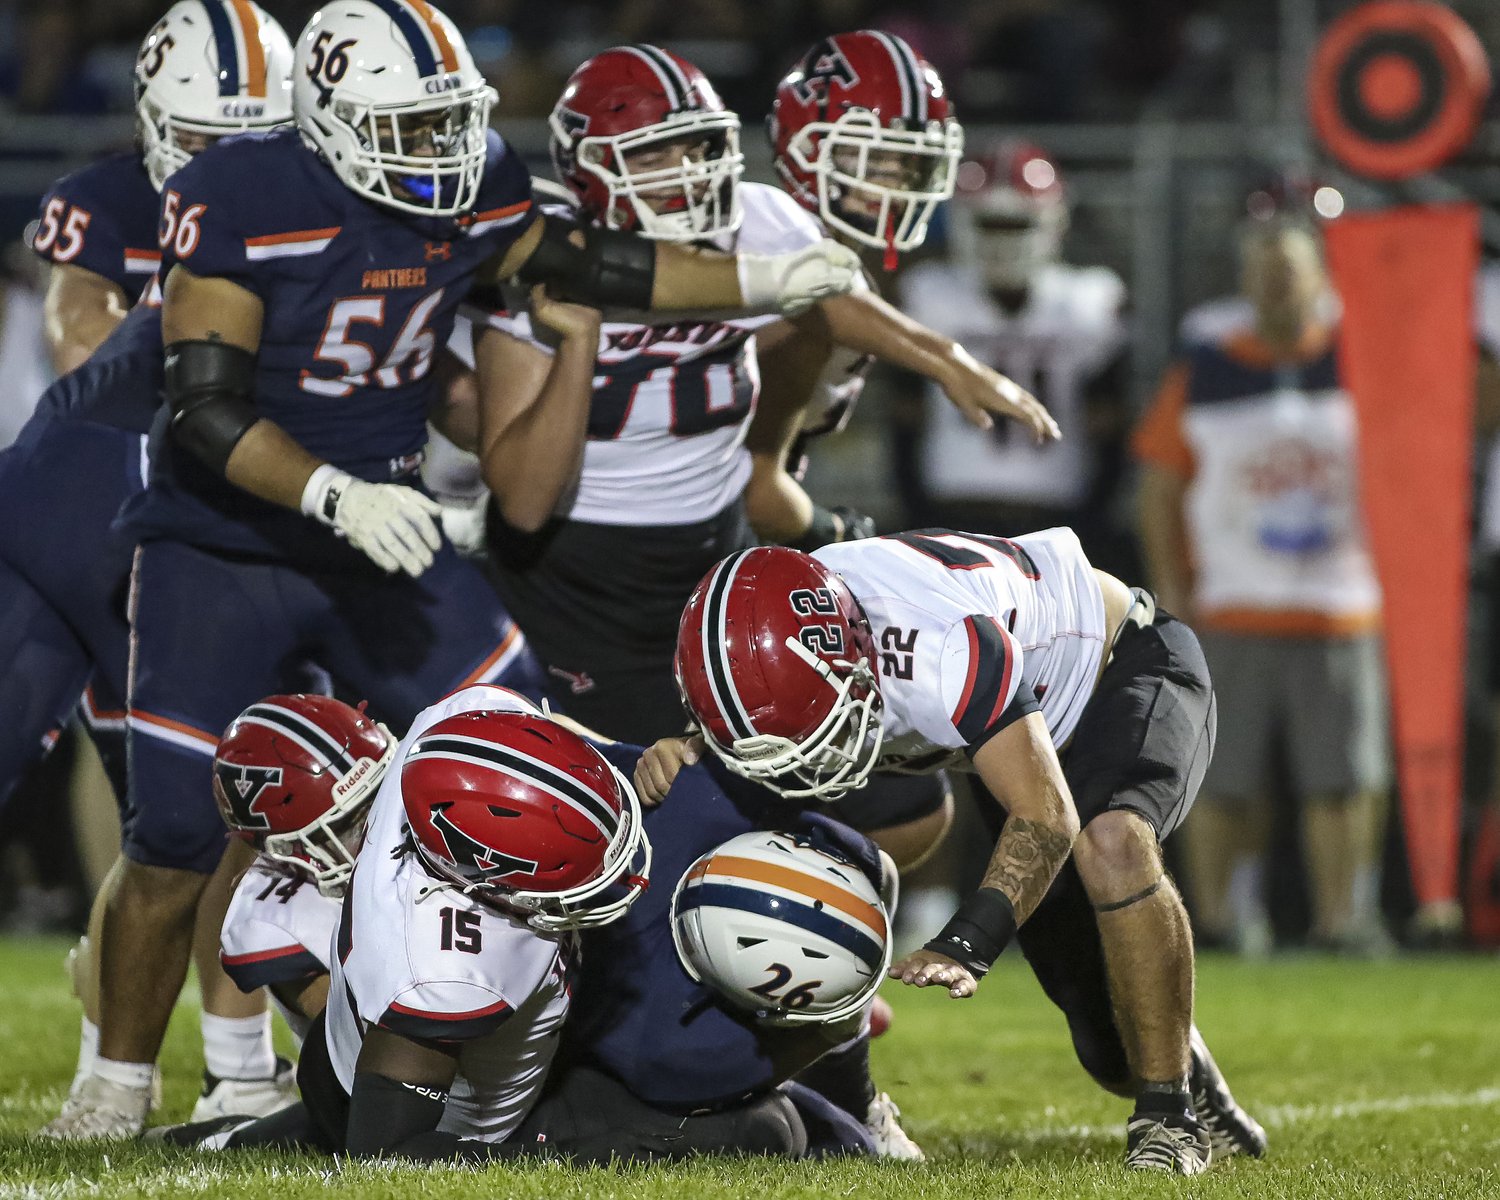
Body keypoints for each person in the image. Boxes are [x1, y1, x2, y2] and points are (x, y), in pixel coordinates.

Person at [53, 0, 862, 1141]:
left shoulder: (471, 177)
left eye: (451, 122)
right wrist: (333, 490)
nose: (439, 151)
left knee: (527, 749)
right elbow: (201, 407)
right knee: (179, 829)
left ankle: (524, 1039)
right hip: (228, 544)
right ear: (329, 120)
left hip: (385, 542)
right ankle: (117, 1081)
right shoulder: (244, 194)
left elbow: (597, 264)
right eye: (411, 125)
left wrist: (762, 283)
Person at [466, 43, 1054, 748]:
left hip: (713, 551)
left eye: (696, 148)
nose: (685, 173)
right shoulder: (548, 265)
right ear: (588, 167)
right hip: (579, 572)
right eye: (654, 155)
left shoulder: (755, 221)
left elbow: (831, 298)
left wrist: (948, 360)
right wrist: (579, 346)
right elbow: (526, 504)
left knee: (896, 802)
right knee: (636, 784)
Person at [645, 531, 1267, 1174]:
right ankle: (1180, 1053)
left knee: (1111, 842)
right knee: (1111, 1053)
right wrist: (686, 752)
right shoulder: (771, 648)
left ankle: (1170, 1120)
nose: (812, 761)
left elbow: (1047, 816)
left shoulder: (940, 644)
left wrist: (968, 939)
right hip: (1015, 743)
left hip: (1124, 665)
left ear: (854, 657)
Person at [24, 1, 302, 1138]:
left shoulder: (322, 205)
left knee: (257, 810)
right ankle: (114, 1065)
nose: (227, 165)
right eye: (203, 137)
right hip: (121, 539)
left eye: (254, 138)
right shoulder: (106, 200)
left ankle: (239, 1066)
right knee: (169, 820)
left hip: (266, 538)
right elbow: (81, 338)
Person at [1133, 204, 1390, 955]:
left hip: (1343, 599)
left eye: (1292, 273)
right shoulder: (1205, 371)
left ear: (1321, 280)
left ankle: (1342, 920)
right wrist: (1170, 584)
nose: (1279, 288)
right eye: (1266, 274)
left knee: (1342, 779)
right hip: (1233, 601)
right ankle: (1214, 921)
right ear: (1245, 282)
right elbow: (1159, 486)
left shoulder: (1363, 359)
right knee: (1223, 778)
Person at [895, 140, 1128, 557]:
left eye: (1016, 225)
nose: (1002, 240)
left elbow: (1107, 428)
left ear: (1052, 223)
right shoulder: (931, 295)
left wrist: (1093, 523)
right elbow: (906, 418)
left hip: (1057, 510)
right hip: (951, 506)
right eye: (990, 224)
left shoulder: (1088, 303)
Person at [213, 695, 395, 1043]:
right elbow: (379, 1047)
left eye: (382, 796)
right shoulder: (279, 918)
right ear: (285, 849)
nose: (383, 827)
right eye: (354, 823)